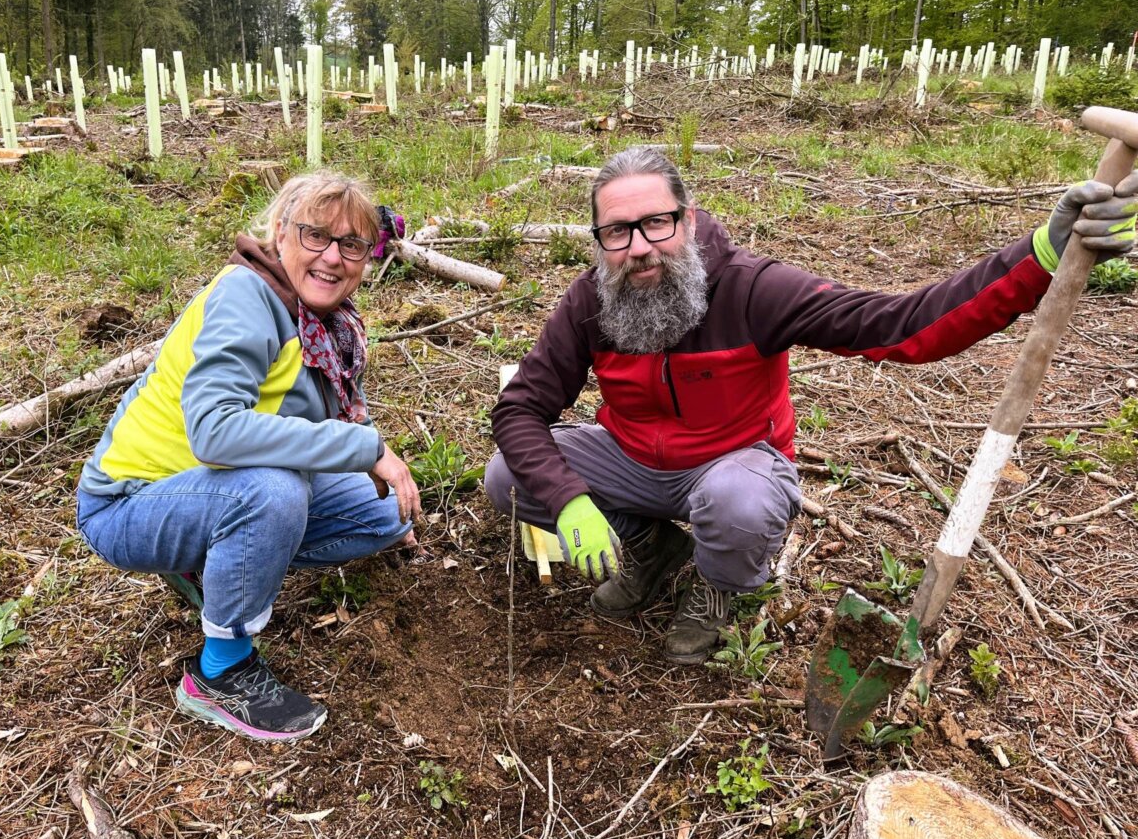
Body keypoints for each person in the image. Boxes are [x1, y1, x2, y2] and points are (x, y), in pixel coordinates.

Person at [485, 146, 1138, 665]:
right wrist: (570, 500)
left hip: (729, 466)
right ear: (598, 240)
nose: (640, 247)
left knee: (739, 504)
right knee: (507, 477)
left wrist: (1039, 256)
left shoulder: (753, 289)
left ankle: (717, 587)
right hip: (631, 458)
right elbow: (520, 408)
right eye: (617, 232)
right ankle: (652, 550)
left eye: (656, 222)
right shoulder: (591, 301)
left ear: (685, 218)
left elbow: (900, 325)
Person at [76, 171, 422, 741]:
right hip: (128, 503)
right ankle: (220, 670)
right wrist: (364, 445)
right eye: (316, 236)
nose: (333, 259)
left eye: (352, 245)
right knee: (273, 490)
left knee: (384, 513)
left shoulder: (321, 324)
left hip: (203, 490)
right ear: (281, 233)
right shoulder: (246, 296)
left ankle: (211, 560)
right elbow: (215, 432)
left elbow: (304, 424)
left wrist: (362, 451)